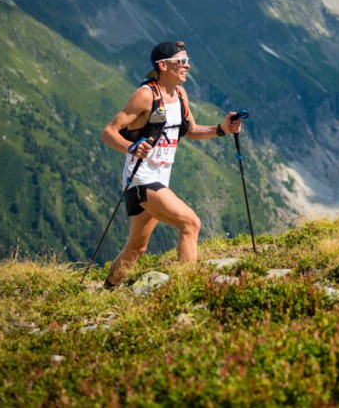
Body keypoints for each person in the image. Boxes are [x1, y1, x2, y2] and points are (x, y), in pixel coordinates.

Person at [100, 40, 242, 288]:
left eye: (187, 61)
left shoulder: (180, 95)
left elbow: (192, 131)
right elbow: (109, 132)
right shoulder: (145, 95)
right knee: (190, 223)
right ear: (163, 65)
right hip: (141, 179)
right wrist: (131, 147)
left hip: (159, 178)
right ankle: (188, 287)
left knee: (137, 247)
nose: (187, 66)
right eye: (182, 62)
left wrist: (221, 129)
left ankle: (108, 289)